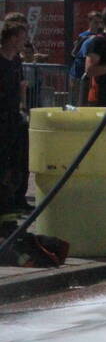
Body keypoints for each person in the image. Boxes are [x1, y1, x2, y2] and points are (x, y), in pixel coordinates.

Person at [0, 18, 30, 233]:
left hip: (13, 117)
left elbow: (20, 84)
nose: (24, 42)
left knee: (17, 164)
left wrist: (23, 107)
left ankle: (10, 206)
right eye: (21, 38)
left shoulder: (16, 61)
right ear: (11, 38)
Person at [68, 11, 103, 106]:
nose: (98, 25)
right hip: (78, 75)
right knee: (76, 103)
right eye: (96, 22)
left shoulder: (100, 37)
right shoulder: (84, 36)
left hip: (89, 78)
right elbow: (75, 53)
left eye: (100, 22)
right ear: (90, 22)